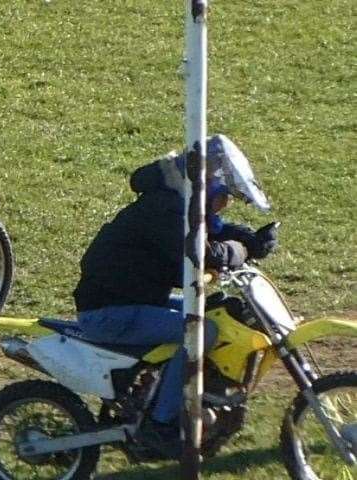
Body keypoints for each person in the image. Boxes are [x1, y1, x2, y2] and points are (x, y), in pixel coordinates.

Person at [72, 135, 277, 456]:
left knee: (214, 317)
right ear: (207, 186)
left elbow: (212, 231)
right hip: (109, 313)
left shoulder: (175, 201)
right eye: (222, 199)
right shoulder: (165, 209)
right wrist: (243, 248)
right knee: (202, 331)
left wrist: (249, 238)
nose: (223, 207)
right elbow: (205, 252)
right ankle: (161, 421)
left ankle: (175, 394)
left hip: (135, 301)